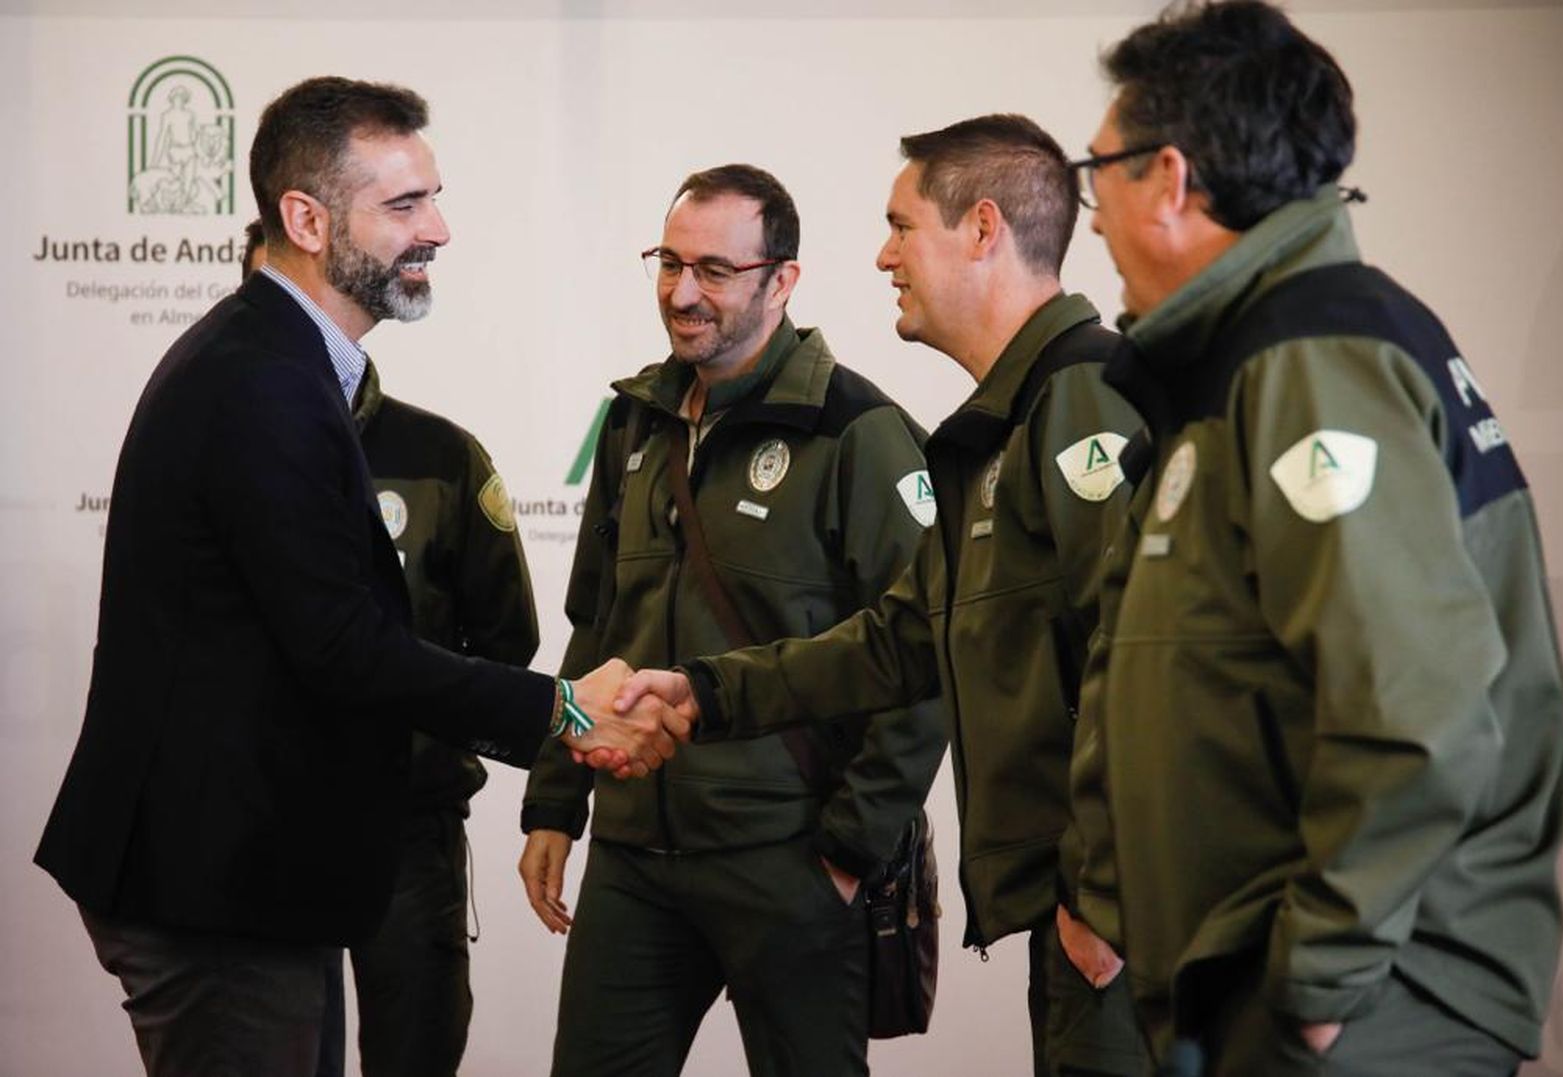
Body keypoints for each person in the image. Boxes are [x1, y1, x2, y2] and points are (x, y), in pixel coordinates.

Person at [34, 76, 679, 1077]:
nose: (441, 230)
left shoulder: (281, 365)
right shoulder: (264, 383)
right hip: (209, 882)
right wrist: (566, 712)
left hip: (250, 870)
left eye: (434, 197)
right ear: (305, 218)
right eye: (404, 205)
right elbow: (341, 648)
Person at [1062, 3, 1563, 1073]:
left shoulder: (1311, 355)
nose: (1092, 215)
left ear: (1166, 177)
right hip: (1263, 985)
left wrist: (1317, 979)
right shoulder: (1247, 357)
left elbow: (1413, 702)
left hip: (1362, 1003)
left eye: (1094, 172)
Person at [616, 117, 1149, 1076]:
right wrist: (705, 693)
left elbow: (1144, 660)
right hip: (1073, 914)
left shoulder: (1083, 399)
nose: (881, 255)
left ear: (982, 229)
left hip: (1118, 925)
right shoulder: (997, 429)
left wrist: (1104, 888)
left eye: (902, 227)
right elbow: (900, 641)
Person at [516, 164, 946, 1077]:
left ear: (781, 280)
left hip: (788, 859)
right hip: (635, 857)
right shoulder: (634, 423)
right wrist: (557, 800)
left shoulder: (858, 431)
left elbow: (926, 656)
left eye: (714, 270)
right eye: (669, 263)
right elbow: (597, 625)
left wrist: (848, 847)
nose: (681, 292)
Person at [248, 222, 541, 1077]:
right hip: (263, 826)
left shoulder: (441, 455)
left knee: (414, 1054)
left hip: (408, 828)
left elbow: (504, 641)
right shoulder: (222, 441)